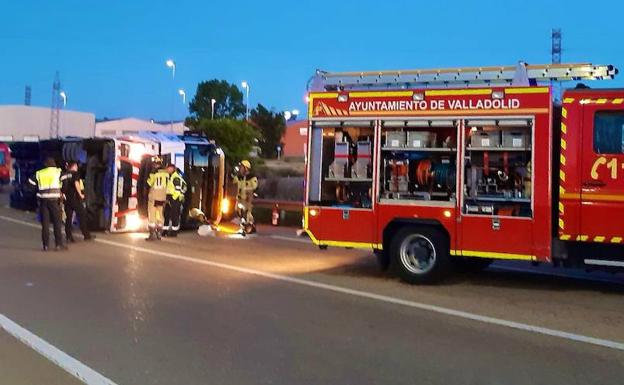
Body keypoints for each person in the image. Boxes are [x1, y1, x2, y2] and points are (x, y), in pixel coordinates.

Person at [28, 157, 66, 251]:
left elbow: (30, 183)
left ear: (45, 164)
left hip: (43, 201)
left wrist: (37, 192)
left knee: (45, 224)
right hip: (54, 201)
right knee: (57, 223)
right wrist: (62, 192)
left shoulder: (40, 173)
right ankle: (58, 244)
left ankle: (45, 245)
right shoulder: (58, 172)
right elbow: (65, 182)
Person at [61, 161, 94, 242]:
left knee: (68, 218)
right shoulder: (75, 174)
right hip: (75, 199)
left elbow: (61, 187)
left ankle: (68, 236)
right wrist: (80, 194)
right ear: (74, 166)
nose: (77, 167)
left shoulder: (63, 175)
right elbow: (76, 184)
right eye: (76, 165)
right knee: (82, 216)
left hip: (67, 199)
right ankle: (86, 235)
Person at [146, 157, 169, 241]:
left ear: (155, 164)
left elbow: (149, 183)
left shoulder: (154, 173)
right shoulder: (166, 173)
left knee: (152, 215)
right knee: (160, 214)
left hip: (154, 197)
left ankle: (152, 234)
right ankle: (159, 233)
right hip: (163, 198)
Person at [232, 160, 258, 233]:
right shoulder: (238, 177)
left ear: (246, 168)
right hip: (239, 199)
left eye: (242, 167)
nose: (240, 168)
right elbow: (234, 184)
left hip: (247, 199)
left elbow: (254, 186)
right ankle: (241, 226)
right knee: (238, 212)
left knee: (248, 213)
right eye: (240, 167)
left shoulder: (252, 177)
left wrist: (247, 189)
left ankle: (251, 225)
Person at [163, 164, 187, 237]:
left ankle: (174, 232)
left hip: (175, 199)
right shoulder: (171, 177)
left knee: (174, 216)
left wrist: (172, 200)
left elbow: (178, 190)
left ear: (172, 169)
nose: (167, 170)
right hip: (170, 198)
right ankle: (165, 231)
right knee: (166, 215)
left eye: (168, 169)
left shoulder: (175, 178)